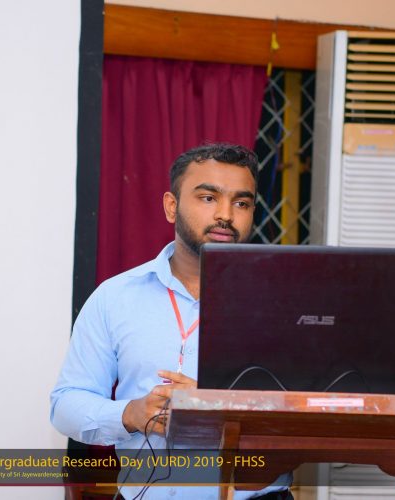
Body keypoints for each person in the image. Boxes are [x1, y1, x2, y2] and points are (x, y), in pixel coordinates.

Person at [51, 143, 292, 499]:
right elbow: (66, 404)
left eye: (241, 203)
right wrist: (131, 414)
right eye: (208, 198)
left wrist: (215, 409)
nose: (225, 214)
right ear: (171, 206)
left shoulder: (283, 305)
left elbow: (314, 415)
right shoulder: (115, 298)